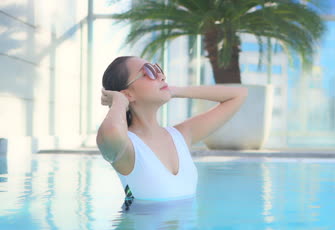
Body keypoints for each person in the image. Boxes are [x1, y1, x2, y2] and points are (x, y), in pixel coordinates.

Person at [97, 56, 248, 205]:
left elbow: (238, 95)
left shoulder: (181, 136)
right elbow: (112, 131)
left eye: (158, 69)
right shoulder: (126, 148)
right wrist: (119, 101)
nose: (161, 76)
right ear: (128, 94)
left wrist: (175, 91)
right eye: (149, 72)